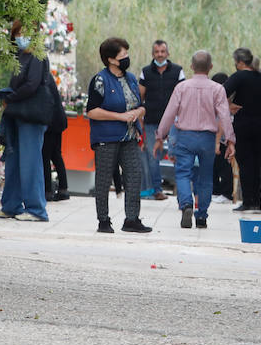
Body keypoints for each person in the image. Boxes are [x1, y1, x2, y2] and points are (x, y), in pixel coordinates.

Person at [155, 50, 235, 230]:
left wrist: (160, 136)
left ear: (191, 67)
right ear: (211, 67)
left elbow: (169, 114)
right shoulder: (217, 89)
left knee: (183, 173)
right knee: (206, 178)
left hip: (185, 137)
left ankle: (186, 205)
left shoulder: (181, 87)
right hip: (207, 138)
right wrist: (230, 141)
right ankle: (201, 217)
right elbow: (224, 116)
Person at [85, 37, 152, 233]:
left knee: (134, 175)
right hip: (106, 138)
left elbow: (141, 105)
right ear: (111, 59)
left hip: (130, 136)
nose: (126, 58)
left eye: (127, 54)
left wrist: (138, 112)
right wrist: (120, 117)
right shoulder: (100, 80)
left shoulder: (131, 78)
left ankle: (132, 219)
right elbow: (91, 111)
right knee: (104, 179)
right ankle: (103, 221)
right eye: (122, 55)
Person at [0, 23, 51, 222]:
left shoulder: (38, 54)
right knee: (14, 160)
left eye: (25, 32)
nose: (21, 36)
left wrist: (11, 97)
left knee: (30, 162)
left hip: (31, 114)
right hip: (18, 113)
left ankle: (36, 209)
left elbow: (32, 84)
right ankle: (10, 205)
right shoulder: (19, 55)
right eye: (18, 33)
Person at [224, 47, 261, 213]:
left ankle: (248, 202)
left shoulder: (239, 76)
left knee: (245, 162)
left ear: (240, 62)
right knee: (257, 163)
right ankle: (258, 203)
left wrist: (229, 105)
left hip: (244, 124)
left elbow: (220, 92)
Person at [139, 40, 183, 201]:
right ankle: (156, 190)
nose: (160, 54)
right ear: (153, 54)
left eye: (163, 51)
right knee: (153, 156)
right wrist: (140, 119)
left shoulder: (178, 71)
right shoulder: (145, 72)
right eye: (157, 52)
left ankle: (183, 193)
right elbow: (140, 97)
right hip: (151, 121)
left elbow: (183, 96)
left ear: (168, 53)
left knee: (178, 155)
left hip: (173, 122)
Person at [41, 70, 69, 201]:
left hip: (51, 122)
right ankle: (63, 189)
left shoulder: (42, 76)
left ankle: (47, 191)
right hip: (58, 120)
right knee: (56, 155)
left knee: (45, 156)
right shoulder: (48, 77)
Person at [210, 71, 234, 202]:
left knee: (224, 165)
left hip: (222, 139)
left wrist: (218, 141)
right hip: (218, 138)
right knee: (214, 164)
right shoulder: (218, 100)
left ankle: (226, 193)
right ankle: (216, 191)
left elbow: (221, 122)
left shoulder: (223, 100)